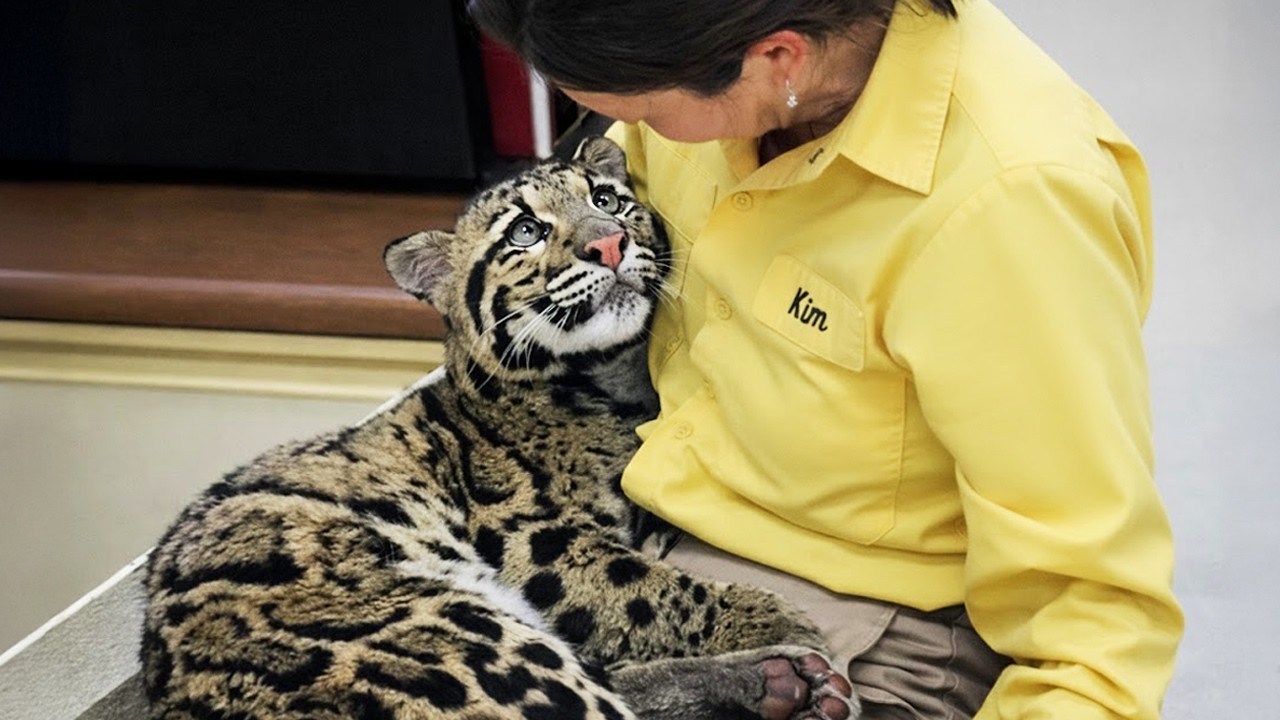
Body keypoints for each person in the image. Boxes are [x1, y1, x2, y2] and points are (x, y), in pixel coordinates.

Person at [467, 1, 1184, 718]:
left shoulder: (1010, 204)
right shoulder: (699, 63)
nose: (631, 137)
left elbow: (1095, 626)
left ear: (780, 60)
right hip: (636, 541)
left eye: (646, 115)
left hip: (868, 615)